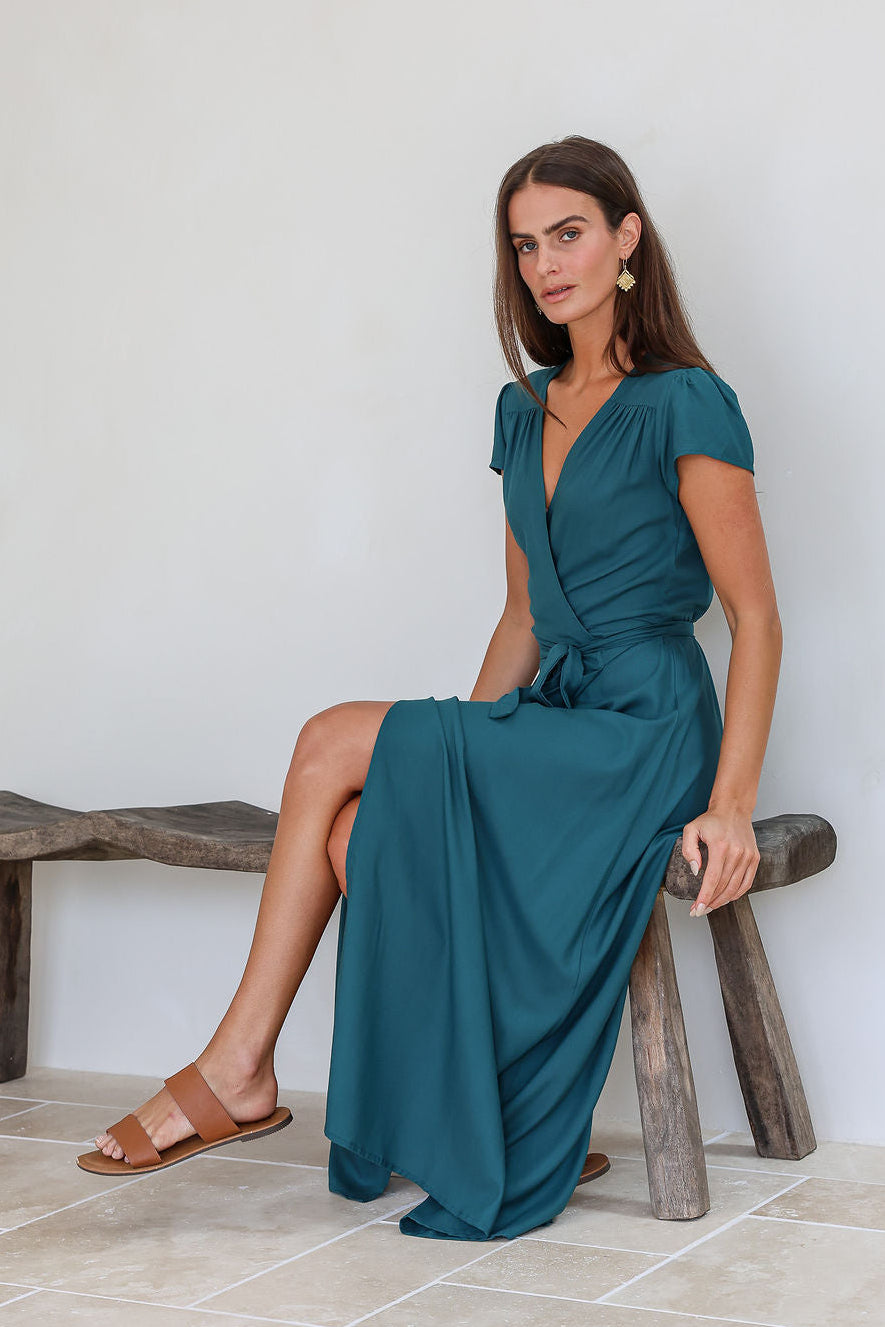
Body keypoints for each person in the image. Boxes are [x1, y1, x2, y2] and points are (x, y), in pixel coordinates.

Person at [77, 135, 781, 1243]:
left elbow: (755, 617)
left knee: (329, 738)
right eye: (525, 245)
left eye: (568, 234)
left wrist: (732, 804)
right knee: (359, 828)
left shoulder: (687, 401)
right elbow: (522, 616)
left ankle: (237, 1064)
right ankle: (473, 1112)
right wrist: (456, 761)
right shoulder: (523, 410)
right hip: (554, 716)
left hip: (644, 732)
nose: (545, 265)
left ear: (627, 239)